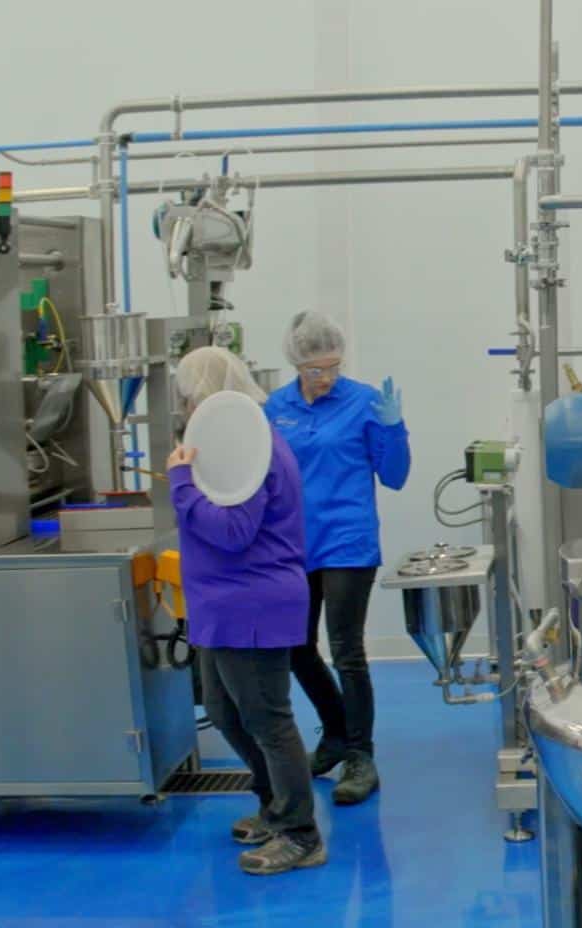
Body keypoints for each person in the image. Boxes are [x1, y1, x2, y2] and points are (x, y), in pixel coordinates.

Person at [170, 347, 324, 875]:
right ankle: (274, 804)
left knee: (268, 720)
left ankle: (301, 834)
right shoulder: (230, 445)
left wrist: (181, 486)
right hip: (222, 604)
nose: (185, 409)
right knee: (224, 711)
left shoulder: (249, 449)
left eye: (189, 398)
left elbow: (233, 533)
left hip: (252, 602)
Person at [264, 311, 411, 805]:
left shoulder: (364, 401)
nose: (325, 377)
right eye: (314, 370)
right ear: (296, 364)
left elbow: (394, 476)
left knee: (346, 649)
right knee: (295, 648)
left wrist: (394, 429)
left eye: (333, 367)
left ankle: (361, 757)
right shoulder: (276, 408)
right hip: (293, 544)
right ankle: (334, 734)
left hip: (348, 540)